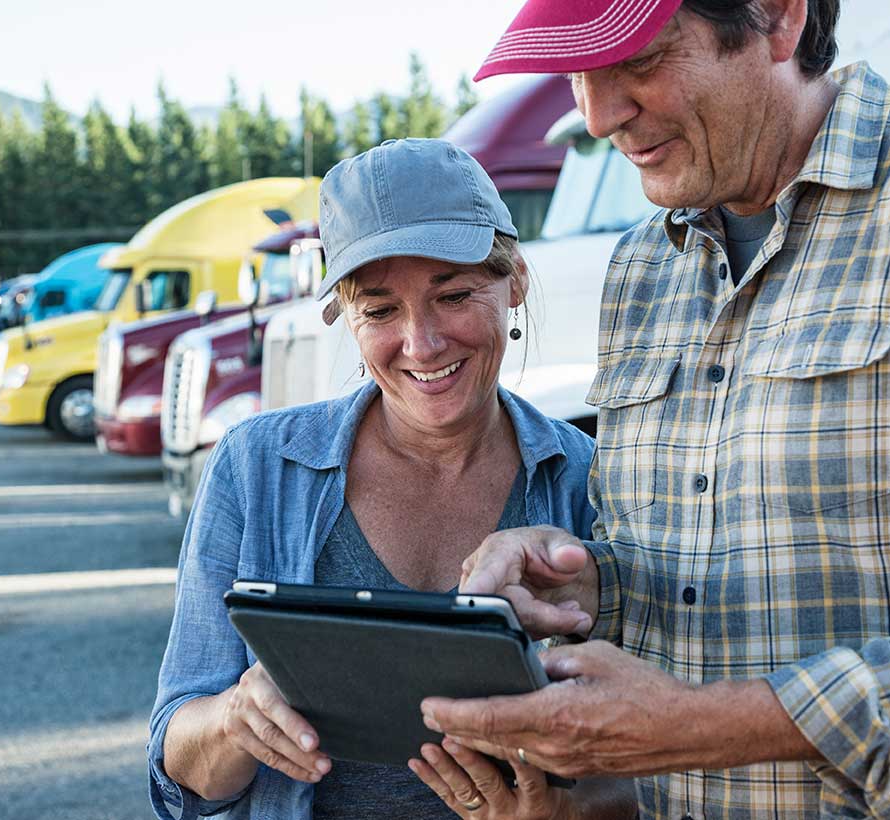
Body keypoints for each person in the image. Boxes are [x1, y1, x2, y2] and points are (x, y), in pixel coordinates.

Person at [419, 1, 890, 818]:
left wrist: (705, 728)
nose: (597, 116)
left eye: (637, 57)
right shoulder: (642, 267)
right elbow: (708, 576)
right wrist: (583, 584)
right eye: (575, 69)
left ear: (779, 17)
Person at [148, 138, 636, 819]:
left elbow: (644, 766)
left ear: (515, 279)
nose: (422, 343)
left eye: (455, 294)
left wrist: (566, 812)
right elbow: (180, 766)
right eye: (379, 311)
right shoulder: (255, 467)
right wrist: (236, 719)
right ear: (348, 318)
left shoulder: (589, 480)